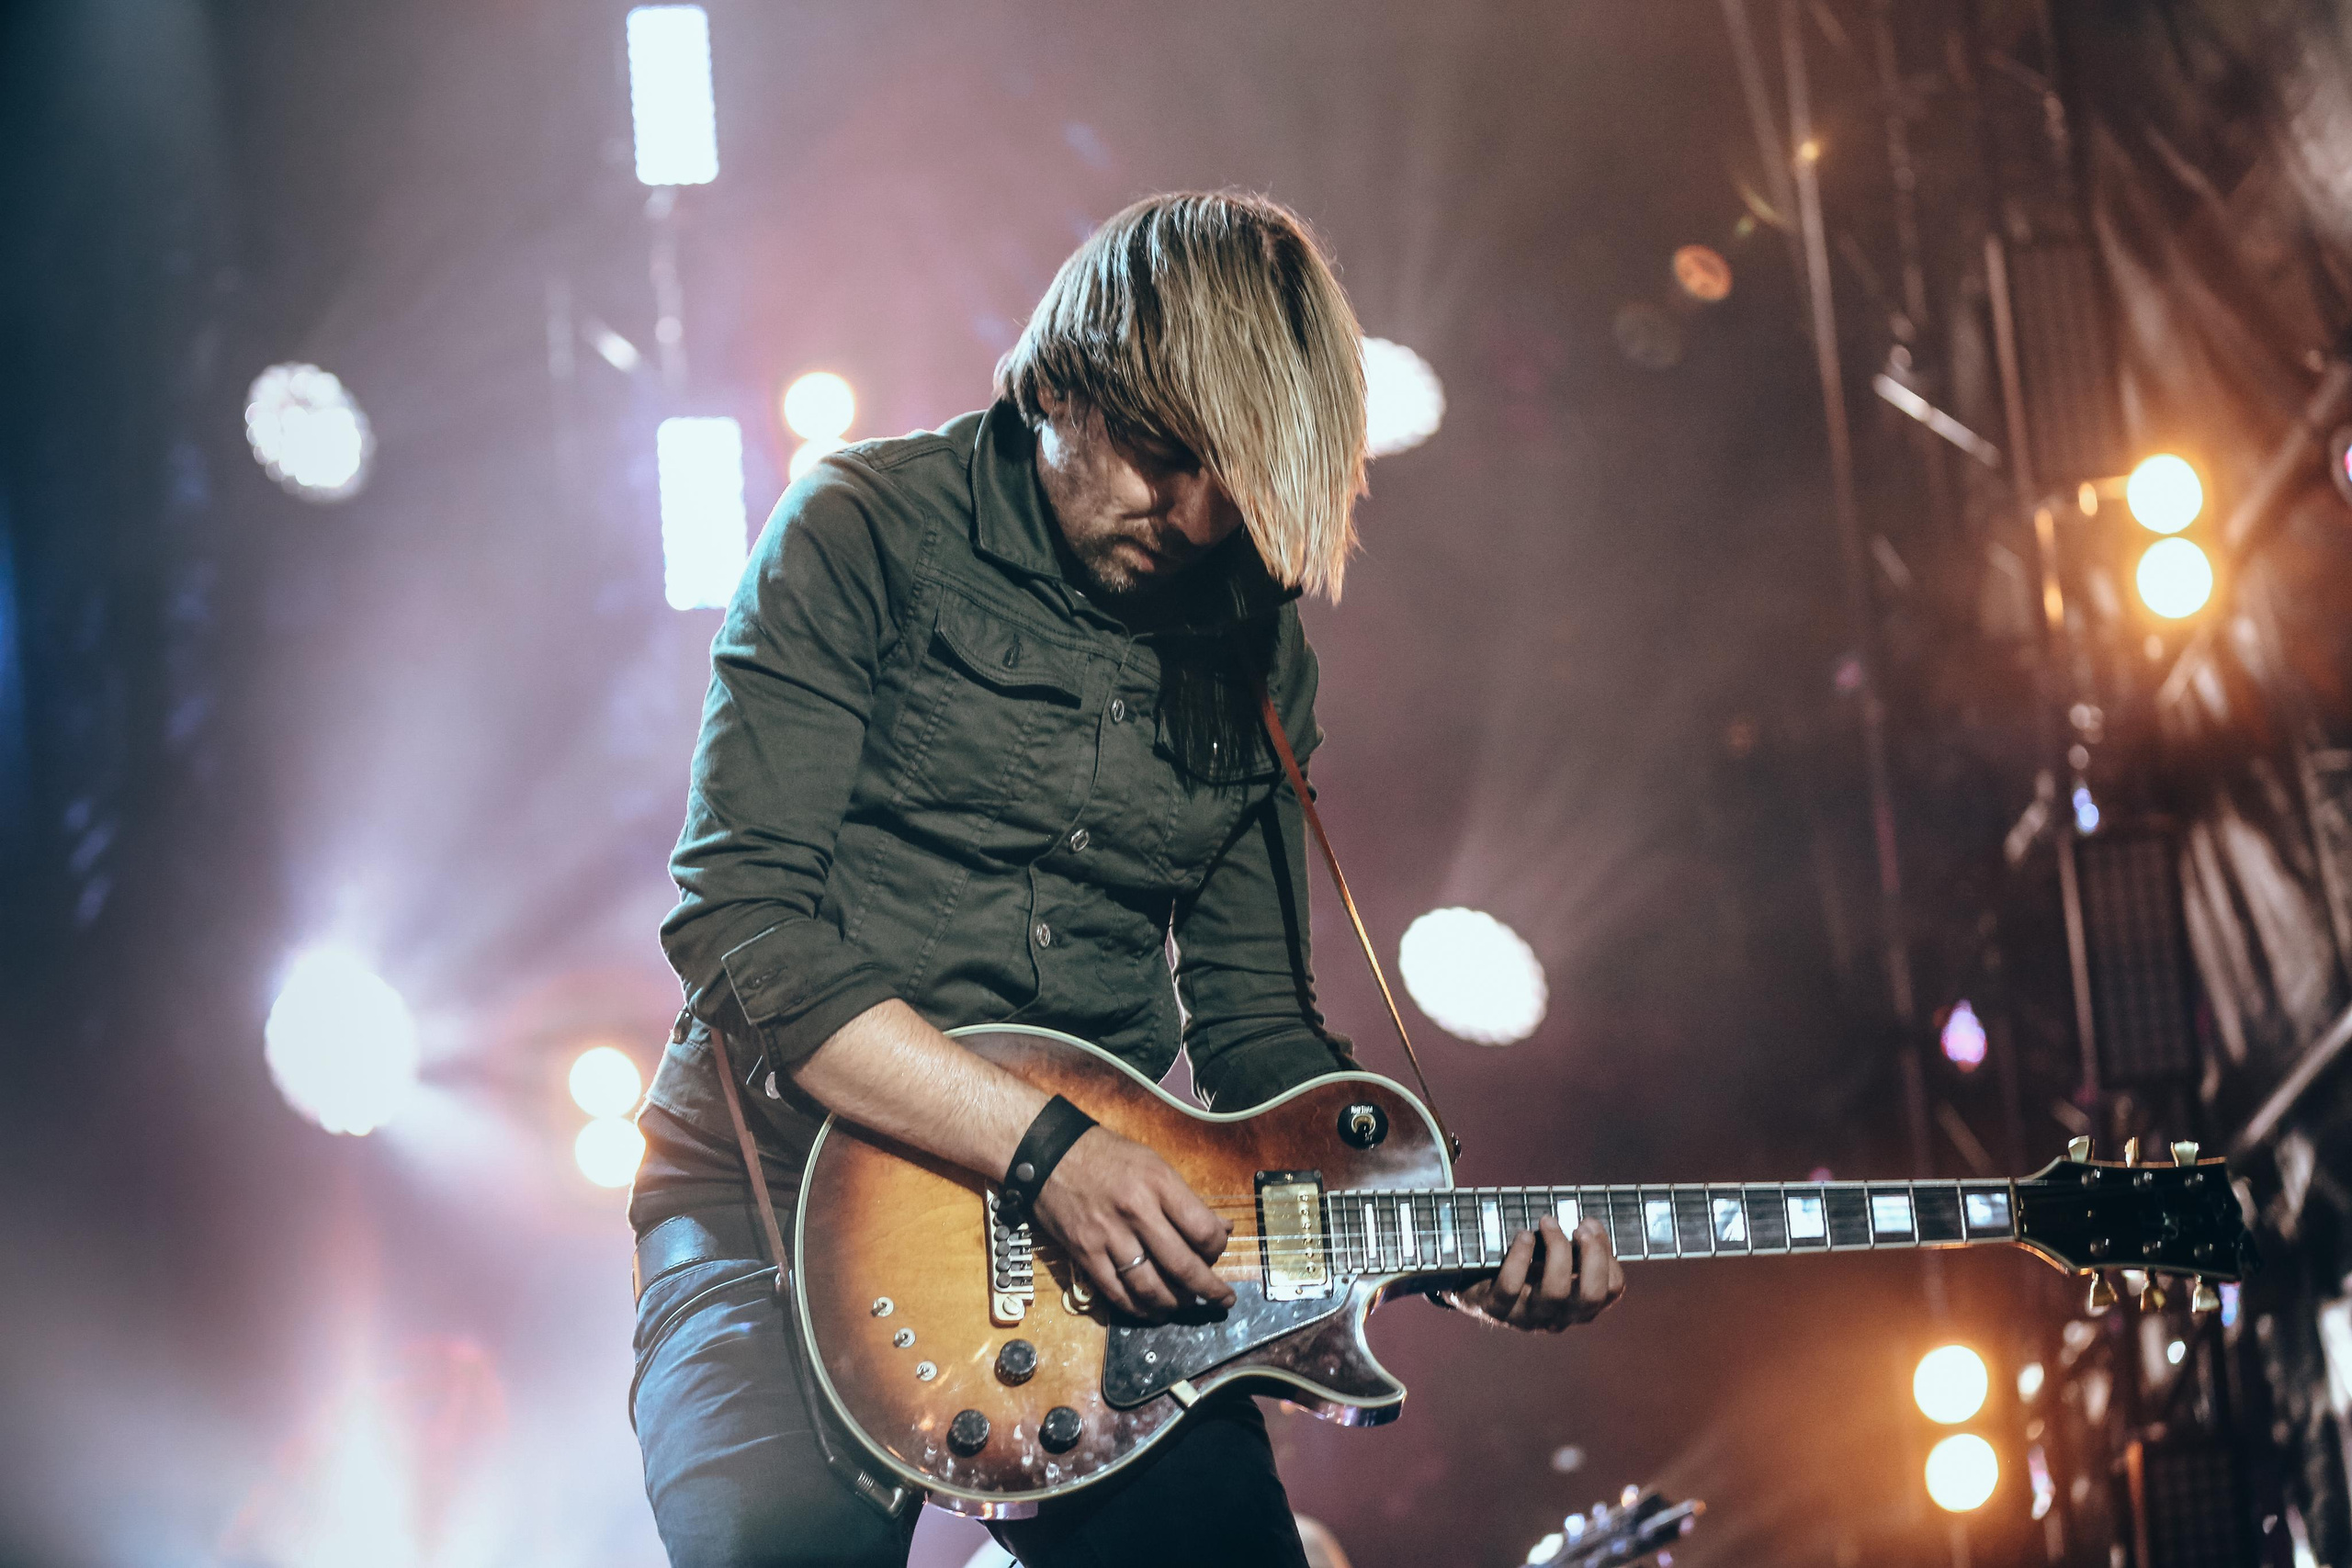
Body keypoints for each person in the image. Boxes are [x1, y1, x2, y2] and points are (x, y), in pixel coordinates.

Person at [627, 190, 1625, 1568]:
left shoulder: (1254, 652)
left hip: (1102, 1252)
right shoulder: (860, 529)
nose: (1200, 516)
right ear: (1061, 380)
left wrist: (1443, 1240)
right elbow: (744, 927)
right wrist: (1047, 1153)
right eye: (1167, 454)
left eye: (1238, 480)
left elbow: (1261, 1042)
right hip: (779, 1200)